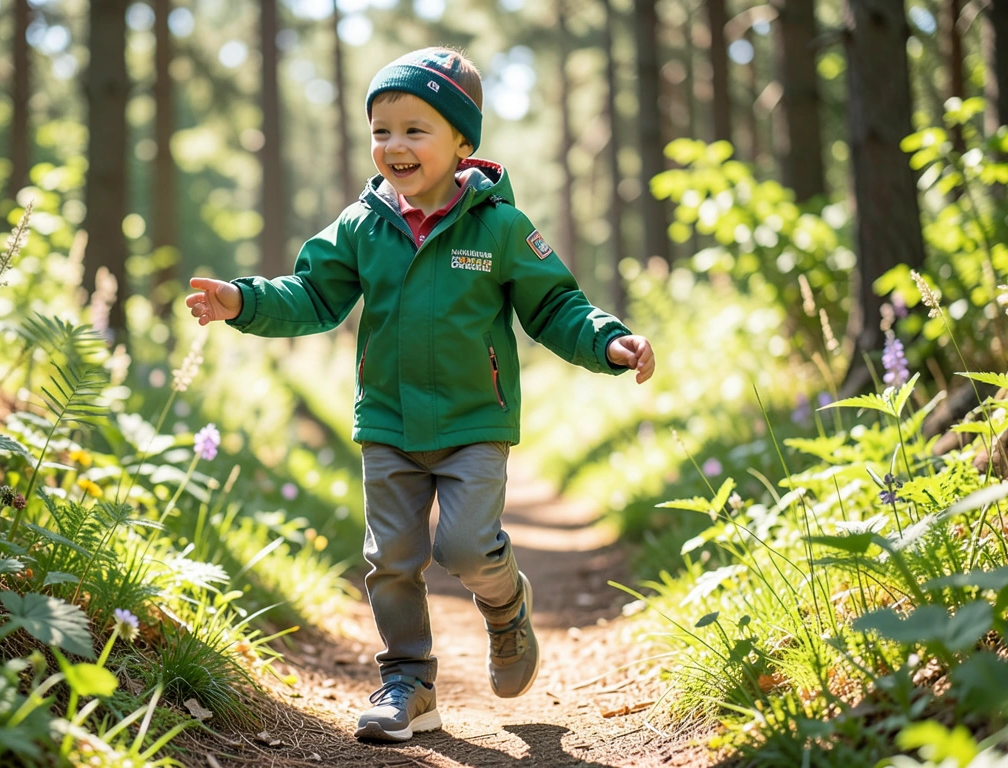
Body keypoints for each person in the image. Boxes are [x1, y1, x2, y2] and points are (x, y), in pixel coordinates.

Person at [185, 47, 655, 742]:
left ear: (463, 142)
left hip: (474, 422)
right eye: (381, 130)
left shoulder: (499, 227)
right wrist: (243, 300)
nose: (394, 146)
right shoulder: (362, 225)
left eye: (415, 129)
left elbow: (555, 305)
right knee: (391, 561)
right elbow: (313, 294)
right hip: (389, 423)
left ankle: (505, 608)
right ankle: (408, 682)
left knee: (467, 547)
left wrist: (608, 340)